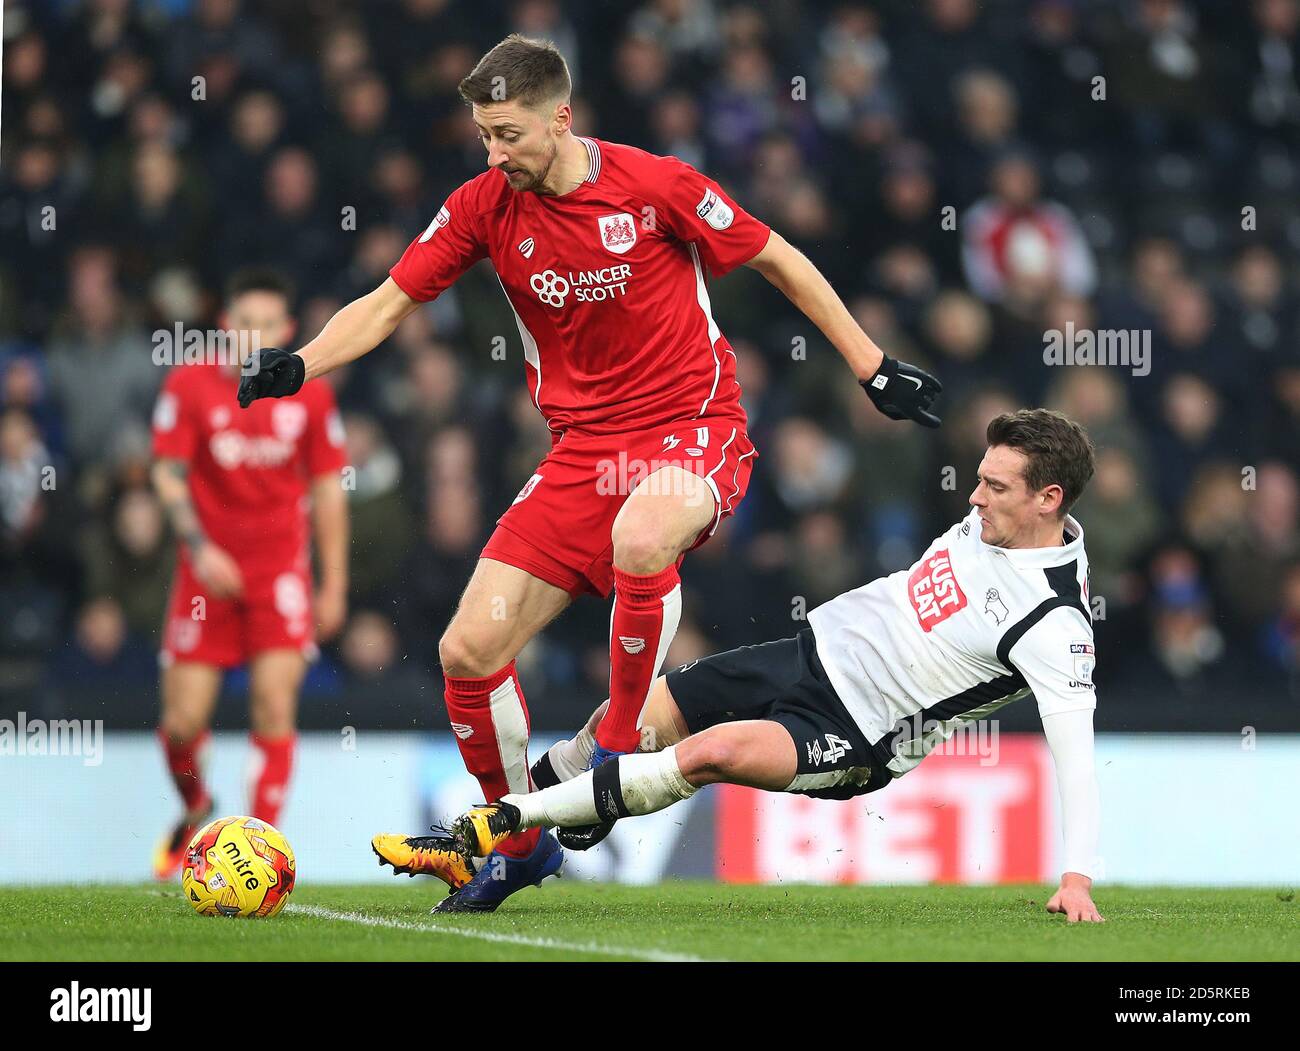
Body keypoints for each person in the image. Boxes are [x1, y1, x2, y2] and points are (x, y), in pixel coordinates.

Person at [238, 34, 941, 913]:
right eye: (483, 136)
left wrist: (874, 367)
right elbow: (389, 302)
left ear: (560, 118)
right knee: (466, 651)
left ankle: (611, 753)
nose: (493, 154)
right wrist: (299, 364)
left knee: (643, 536)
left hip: (694, 428)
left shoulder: (655, 185)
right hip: (582, 453)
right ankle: (520, 840)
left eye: (507, 134)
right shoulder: (482, 206)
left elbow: (777, 255)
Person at [446, 409, 1106, 922]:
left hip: (859, 731)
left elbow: (1074, 757)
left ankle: (507, 825)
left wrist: (1075, 876)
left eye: (994, 485)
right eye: (979, 478)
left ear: (1048, 499)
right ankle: (510, 843)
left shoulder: (1054, 624)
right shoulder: (997, 523)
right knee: (629, 719)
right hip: (806, 654)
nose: (973, 498)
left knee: (712, 752)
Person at [150, 268, 349, 879]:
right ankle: (198, 807)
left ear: (288, 331)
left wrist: (334, 582)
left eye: (269, 325)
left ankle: (259, 852)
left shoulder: (310, 393)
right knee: (181, 726)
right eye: (246, 324)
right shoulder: (189, 385)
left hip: (279, 575)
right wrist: (201, 546)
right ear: (226, 326)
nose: (255, 334)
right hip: (206, 576)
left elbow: (328, 490)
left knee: (272, 703)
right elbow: (165, 472)